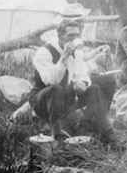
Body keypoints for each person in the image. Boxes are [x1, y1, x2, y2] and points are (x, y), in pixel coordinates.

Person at [29, 19, 120, 147]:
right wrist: (64, 57)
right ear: (60, 36)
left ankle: (108, 135)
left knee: (93, 88)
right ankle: (58, 139)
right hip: (43, 101)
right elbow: (51, 80)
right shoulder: (44, 52)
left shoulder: (76, 51)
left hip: (64, 98)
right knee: (56, 89)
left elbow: (81, 72)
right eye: (70, 36)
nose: (74, 39)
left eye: (77, 35)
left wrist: (82, 82)